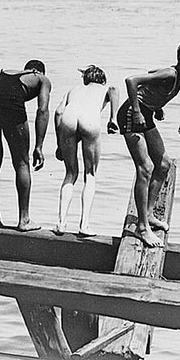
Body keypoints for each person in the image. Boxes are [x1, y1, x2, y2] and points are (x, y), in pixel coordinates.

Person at [121, 40, 180, 248]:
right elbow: (131, 80)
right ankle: (142, 228)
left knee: (164, 164)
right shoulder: (170, 74)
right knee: (145, 168)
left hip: (146, 113)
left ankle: (148, 214)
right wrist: (138, 109)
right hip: (131, 115)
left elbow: (150, 77)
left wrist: (156, 105)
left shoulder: (178, 75)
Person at [0, 59, 51, 231]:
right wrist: (38, 146)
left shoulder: (6, 72)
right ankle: (24, 220)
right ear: (38, 71)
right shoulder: (42, 78)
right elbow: (43, 110)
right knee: (22, 163)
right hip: (12, 103)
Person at [52, 65, 119, 236]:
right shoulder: (103, 88)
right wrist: (113, 118)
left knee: (70, 173)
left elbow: (59, 112)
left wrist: (60, 143)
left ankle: (61, 223)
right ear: (102, 79)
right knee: (90, 174)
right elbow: (114, 89)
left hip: (68, 119)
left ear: (85, 79)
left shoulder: (74, 89)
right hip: (90, 121)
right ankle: (85, 225)